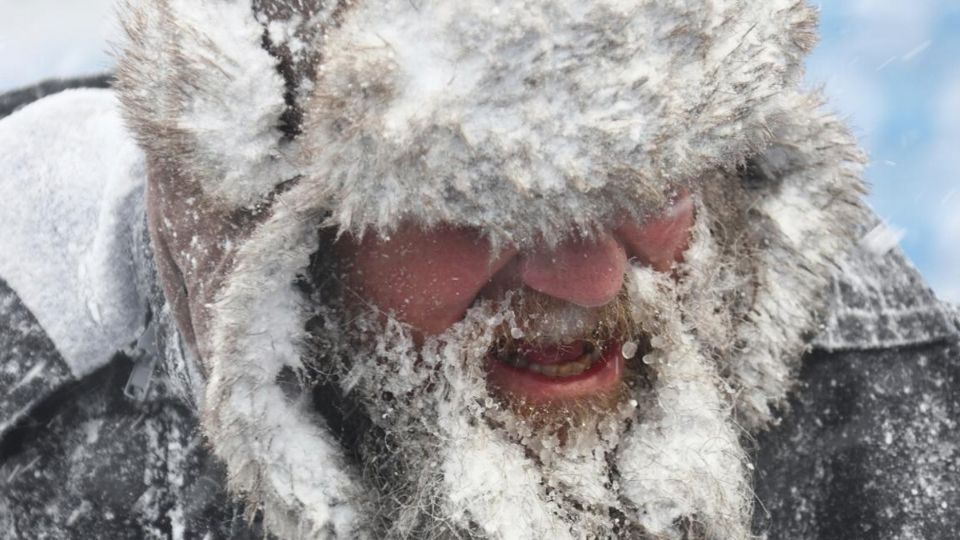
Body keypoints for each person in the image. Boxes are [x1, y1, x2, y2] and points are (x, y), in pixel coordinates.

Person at [1, 1, 957, 538]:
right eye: (477, 209)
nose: (587, 279)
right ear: (277, 233)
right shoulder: (45, 421)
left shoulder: (881, 393)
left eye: (648, 182)